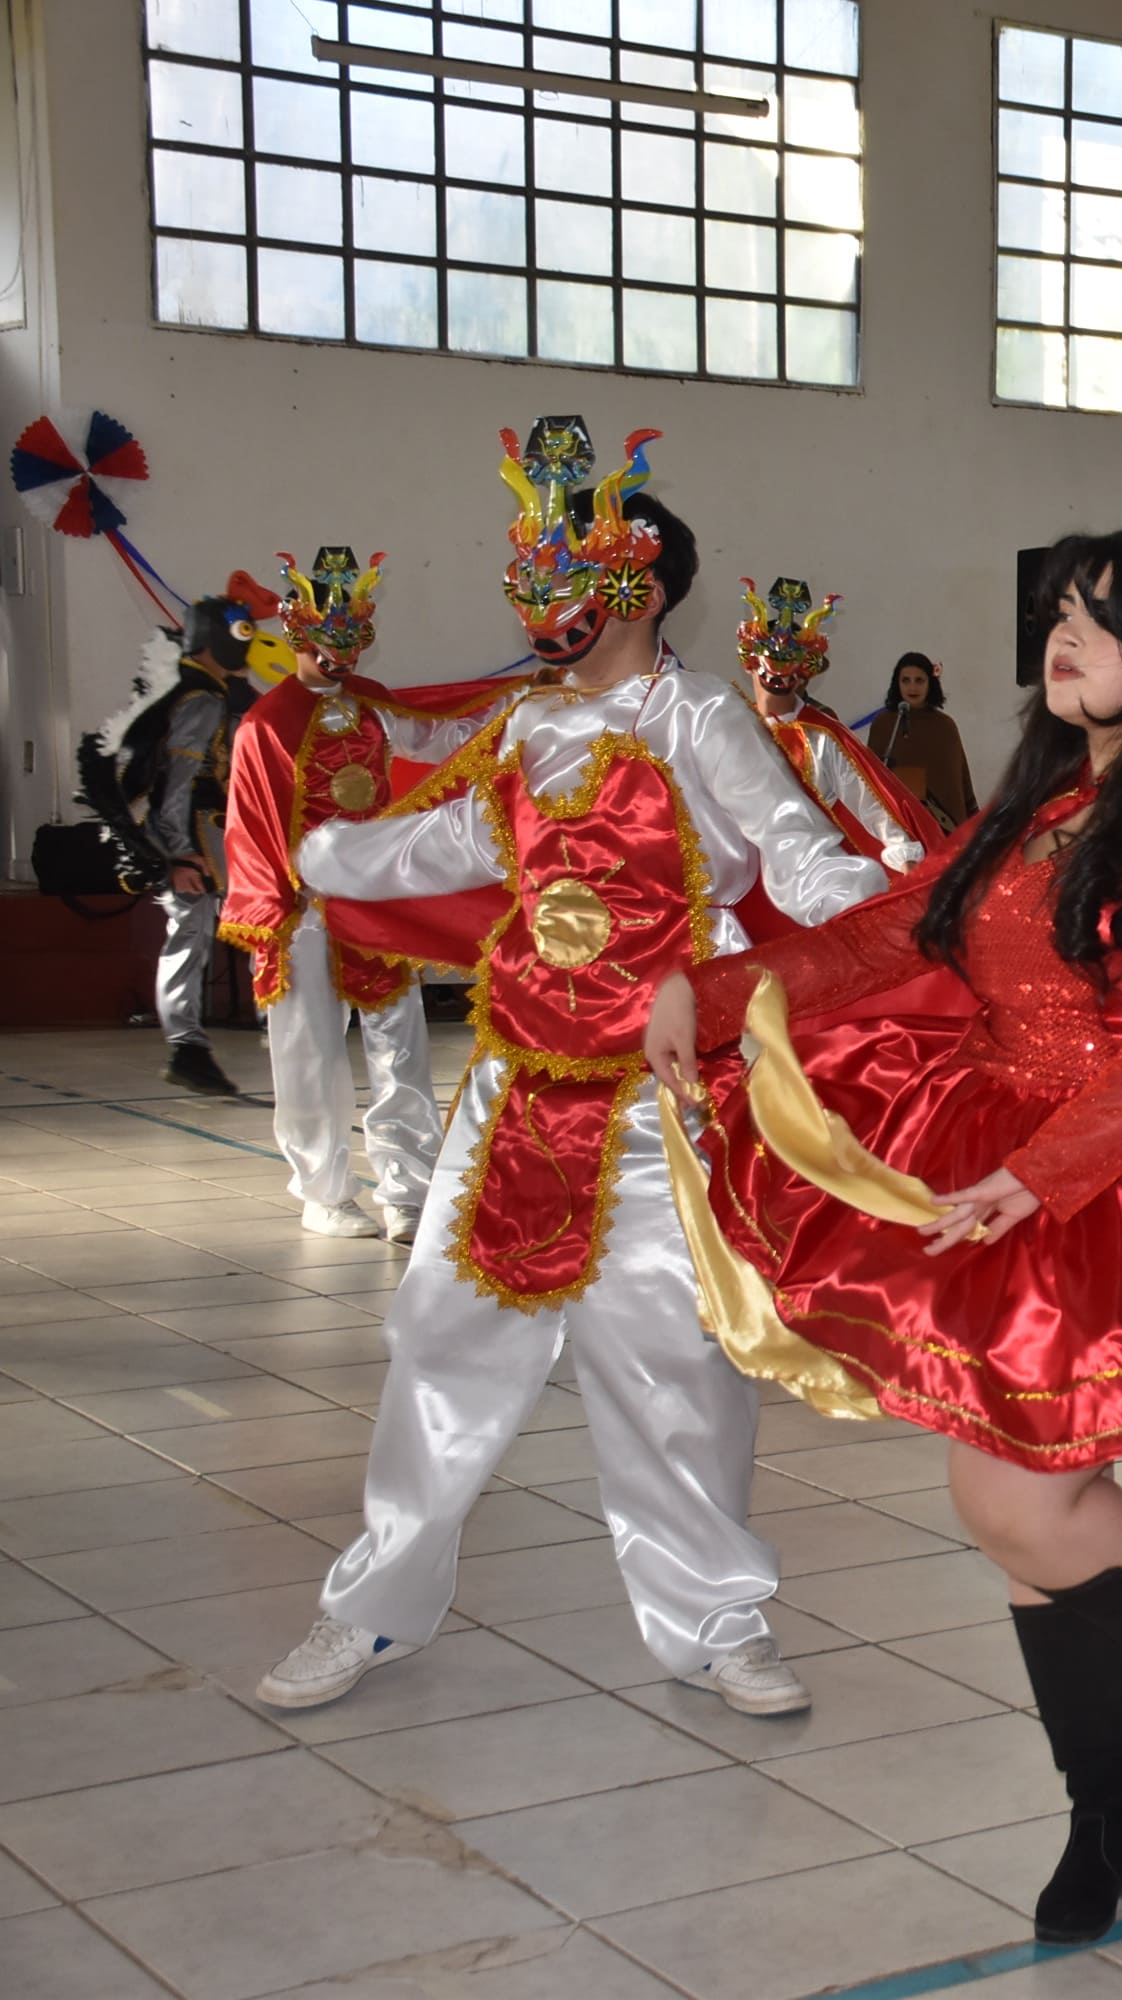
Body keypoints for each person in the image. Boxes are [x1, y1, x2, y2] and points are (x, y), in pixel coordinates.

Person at [645, 532, 1122, 1944]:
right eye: (1059, 613)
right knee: (1034, 1516)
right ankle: (1114, 1799)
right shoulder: (1033, 803)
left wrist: (1052, 1167)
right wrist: (717, 993)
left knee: (1017, 1503)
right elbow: (901, 933)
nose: (1063, 635)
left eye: (1100, 617)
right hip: (997, 1146)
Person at [254, 418, 888, 1722]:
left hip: (656, 1101)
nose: (543, 611)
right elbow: (446, 848)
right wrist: (321, 860)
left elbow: (791, 852)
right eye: (530, 585)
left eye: (568, 586)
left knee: (677, 1368)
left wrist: (896, 906)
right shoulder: (527, 724)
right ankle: (373, 1611)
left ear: (639, 593)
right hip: (515, 1095)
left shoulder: (702, 715)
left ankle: (717, 1619)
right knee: (439, 1342)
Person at [218, 549, 516, 1241]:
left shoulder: (373, 707)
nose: (340, 660)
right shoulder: (265, 724)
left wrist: (523, 703)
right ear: (299, 639)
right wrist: (277, 911)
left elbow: (445, 728)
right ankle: (323, 1191)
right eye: (327, 645)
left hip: (378, 905)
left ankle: (407, 1190)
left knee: (400, 1047)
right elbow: (253, 823)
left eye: (350, 645)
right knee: (310, 1055)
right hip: (305, 911)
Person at [94, 589, 291, 1094]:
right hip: (197, 832)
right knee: (201, 930)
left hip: (213, 828)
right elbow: (177, 780)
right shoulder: (198, 699)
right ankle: (191, 1044)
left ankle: (235, 1034)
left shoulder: (213, 694)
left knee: (223, 928)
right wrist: (176, 852)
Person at [737, 576, 934, 873]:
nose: (775, 679)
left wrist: (906, 861)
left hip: (810, 877)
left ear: (803, 675)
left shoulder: (820, 736)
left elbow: (870, 804)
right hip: (746, 876)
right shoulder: (733, 728)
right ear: (750, 665)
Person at [867, 651, 976, 831]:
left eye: (919, 680)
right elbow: (870, 776)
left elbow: (958, 781)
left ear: (930, 684)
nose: (912, 688)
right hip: (895, 823)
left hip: (939, 824)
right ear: (897, 683)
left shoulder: (945, 726)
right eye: (906, 680)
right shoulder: (884, 724)